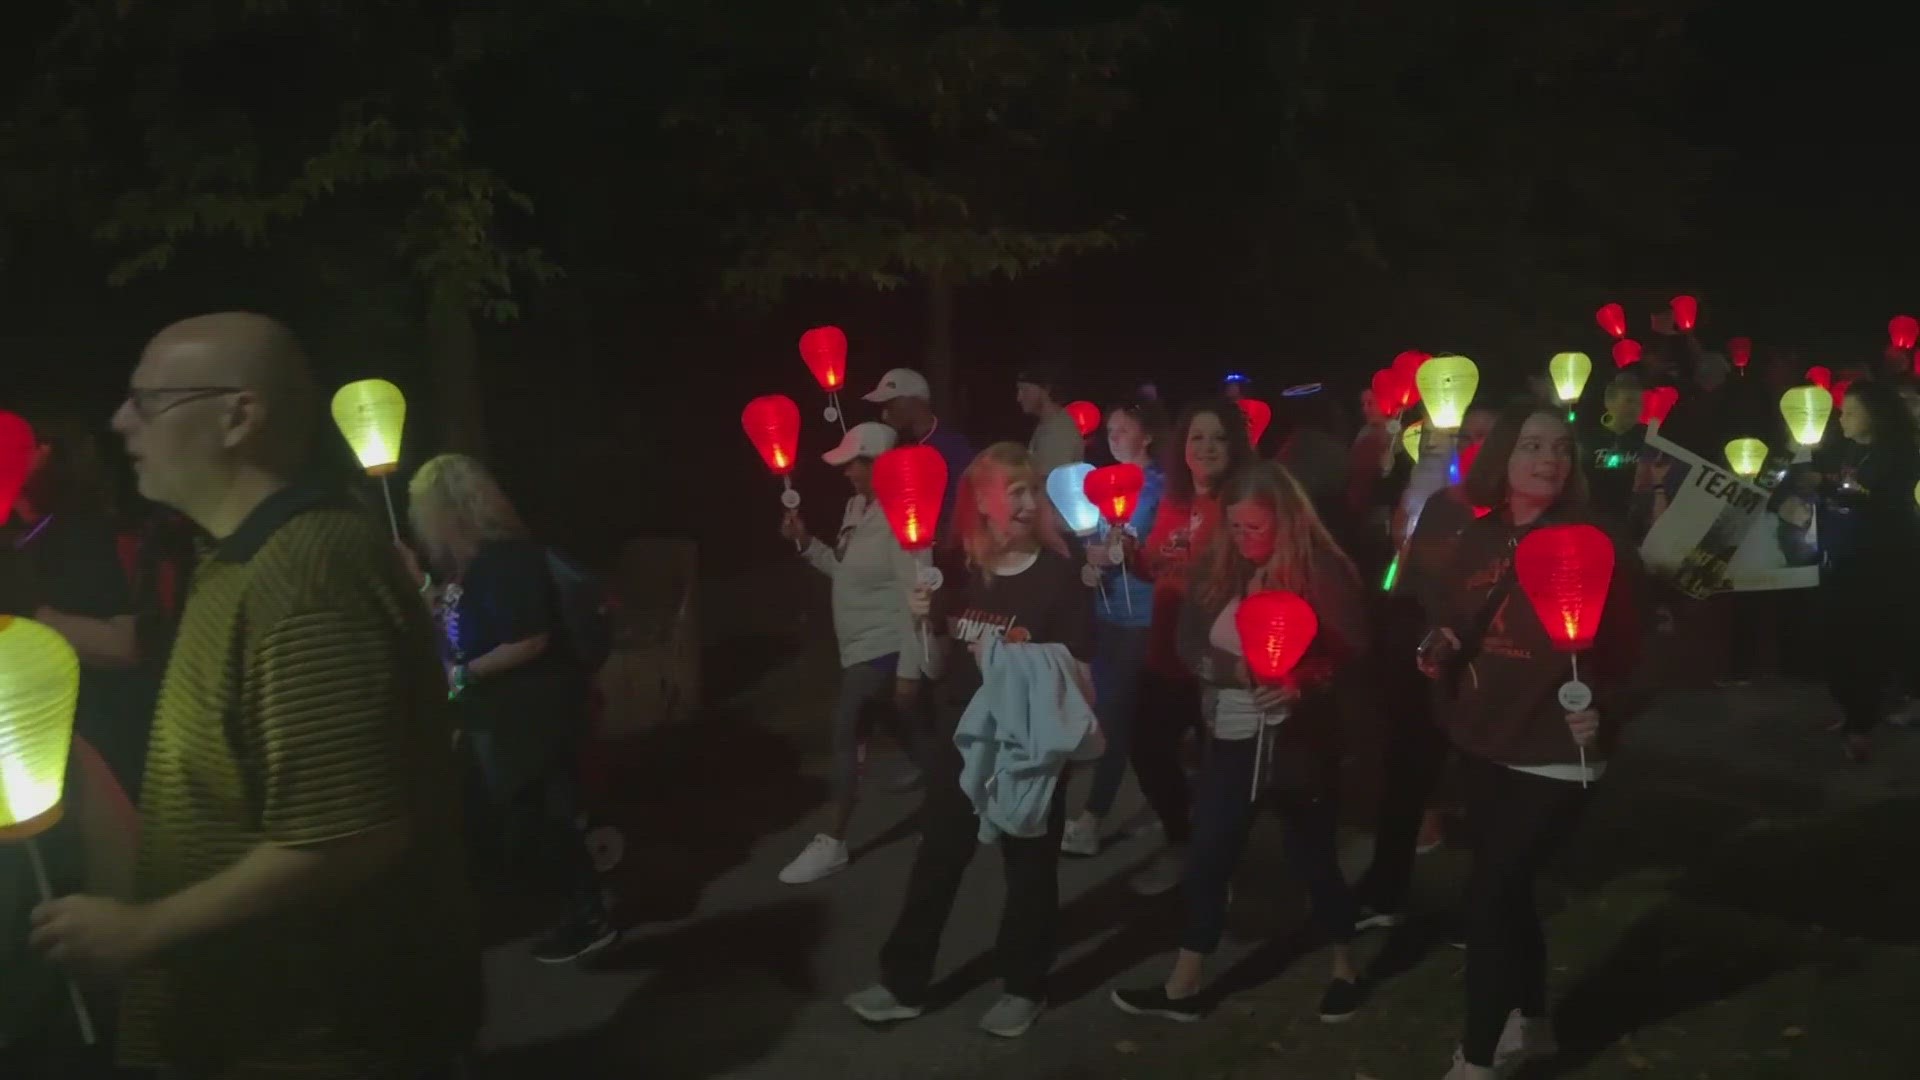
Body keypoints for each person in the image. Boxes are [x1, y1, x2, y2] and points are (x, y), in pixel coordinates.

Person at [31, 312, 481, 1078]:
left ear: (238, 415)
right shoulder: (235, 564)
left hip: (316, 1034)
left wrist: (142, 931)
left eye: (146, 401)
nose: (118, 421)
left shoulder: (308, 570)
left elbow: (347, 835)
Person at [1420, 405, 1648, 1079]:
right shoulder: (1479, 537)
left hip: (1557, 751)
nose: (1548, 458)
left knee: (1489, 895)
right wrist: (1441, 642)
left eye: (1560, 448)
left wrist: (1604, 712)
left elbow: (1639, 653)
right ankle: (1536, 1023)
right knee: (1510, 892)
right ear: (1505, 459)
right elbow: (1455, 613)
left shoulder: (1595, 543)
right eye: (1533, 445)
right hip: (1486, 737)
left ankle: (1479, 1056)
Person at [844, 443, 1094, 1040]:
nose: (1030, 503)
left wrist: (1018, 662)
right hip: (961, 740)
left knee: (1029, 867)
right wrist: (925, 622)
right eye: (1015, 493)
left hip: (1028, 747)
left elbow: (1081, 676)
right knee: (938, 859)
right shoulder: (957, 572)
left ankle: (1023, 986)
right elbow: (934, 670)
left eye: (1032, 490)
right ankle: (903, 983)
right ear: (980, 503)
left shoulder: (1060, 577)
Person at [1111, 462, 1369, 1024]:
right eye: (1235, 527)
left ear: (1287, 522)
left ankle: (1344, 964)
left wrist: (1301, 687)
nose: (1245, 539)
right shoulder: (1219, 569)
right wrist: (1242, 671)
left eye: (1256, 528)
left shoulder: (1321, 576)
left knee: (1313, 859)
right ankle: (1185, 983)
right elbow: (1188, 640)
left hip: (1299, 748)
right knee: (1208, 857)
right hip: (1229, 738)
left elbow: (1351, 655)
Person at [404, 451, 616, 962]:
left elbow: (529, 639)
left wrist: (462, 674)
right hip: (503, 719)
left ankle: (588, 917)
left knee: (540, 824)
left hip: (534, 715)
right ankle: (578, 909)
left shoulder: (505, 559)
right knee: (528, 822)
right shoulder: (469, 565)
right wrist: (421, 582)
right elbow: (458, 627)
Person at [775, 421, 929, 883]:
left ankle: (833, 842)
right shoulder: (857, 507)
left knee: (846, 731)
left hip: (881, 649)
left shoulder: (903, 517)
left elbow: (913, 595)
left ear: (878, 465)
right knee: (918, 738)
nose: (845, 473)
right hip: (856, 647)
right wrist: (806, 544)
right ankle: (965, 803)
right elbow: (845, 572)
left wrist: (907, 669)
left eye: (852, 464)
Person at [1125, 400, 1257, 896]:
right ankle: (1184, 838)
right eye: (1196, 437)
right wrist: (1127, 555)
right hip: (1164, 655)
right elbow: (1155, 565)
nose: (1205, 447)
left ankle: (1217, 870)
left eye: (1217, 438)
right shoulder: (1175, 502)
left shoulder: (1243, 504)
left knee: (1221, 775)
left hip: (1214, 665)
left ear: (1233, 447)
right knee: (1146, 750)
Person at [4, 419, 150, 799]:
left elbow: (124, 647)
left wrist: (28, 615)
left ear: (45, 453)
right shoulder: (21, 538)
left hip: (96, 745)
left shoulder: (81, 533)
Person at [1779, 381, 1920, 762]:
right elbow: (1838, 487)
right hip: (1841, 559)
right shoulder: (1850, 449)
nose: (1842, 418)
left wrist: (1828, 489)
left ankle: (1861, 726)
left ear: (1874, 415)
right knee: (1836, 641)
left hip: (1880, 567)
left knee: (1865, 646)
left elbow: (1881, 503)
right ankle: (1852, 712)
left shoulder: (1899, 454)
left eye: (1851, 411)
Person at [1063, 401, 1165, 856]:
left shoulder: (1156, 487)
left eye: (1124, 429)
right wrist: (1091, 564)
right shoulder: (1105, 484)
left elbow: (1134, 545)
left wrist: (1109, 554)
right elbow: (1098, 542)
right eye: (1110, 429)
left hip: (1141, 619)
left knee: (1116, 718)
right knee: (1129, 718)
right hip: (1106, 615)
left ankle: (1092, 816)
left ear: (1147, 436)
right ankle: (1162, 803)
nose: (1114, 437)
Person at [863, 368, 975, 541]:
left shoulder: (953, 446)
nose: (885, 414)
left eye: (890, 403)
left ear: (914, 402)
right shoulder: (893, 447)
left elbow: (967, 504)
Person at [1016, 364, 1084, 478]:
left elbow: (1049, 484)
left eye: (1024, 390)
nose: (1019, 397)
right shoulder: (1047, 426)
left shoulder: (1059, 431)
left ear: (1044, 390)